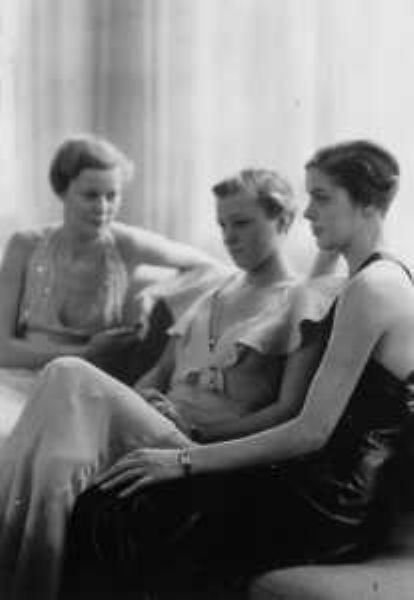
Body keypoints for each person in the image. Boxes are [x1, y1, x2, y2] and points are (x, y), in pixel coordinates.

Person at [61, 139, 414, 600]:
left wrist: (184, 460)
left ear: (367, 203)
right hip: (324, 483)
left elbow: (311, 431)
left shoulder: (373, 288)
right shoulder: (368, 276)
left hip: (333, 500)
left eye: (322, 197)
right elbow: (314, 283)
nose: (308, 213)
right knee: (110, 502)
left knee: (117, 509)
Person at [0, 168, 340, 600]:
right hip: (154, 427)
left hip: (195, 447)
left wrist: (199, 433)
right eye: (222, 224)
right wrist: (145, 396)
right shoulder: (212, 293)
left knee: (66, 371)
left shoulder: (302, 300)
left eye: (242, 223)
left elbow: (288, 411)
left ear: (284, 221)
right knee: (59, 459)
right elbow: (156, 375)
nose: (229, 237)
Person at [0, 133, 216, 439]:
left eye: (112, 195)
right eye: (90, 195)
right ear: (62, 191)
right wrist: (85, 352)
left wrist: (155, 293)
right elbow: (3, 350)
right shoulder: (24, 245)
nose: (103, 207)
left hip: (86, 386)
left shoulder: (127, 244)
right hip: (17, 381)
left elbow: (208, 267)